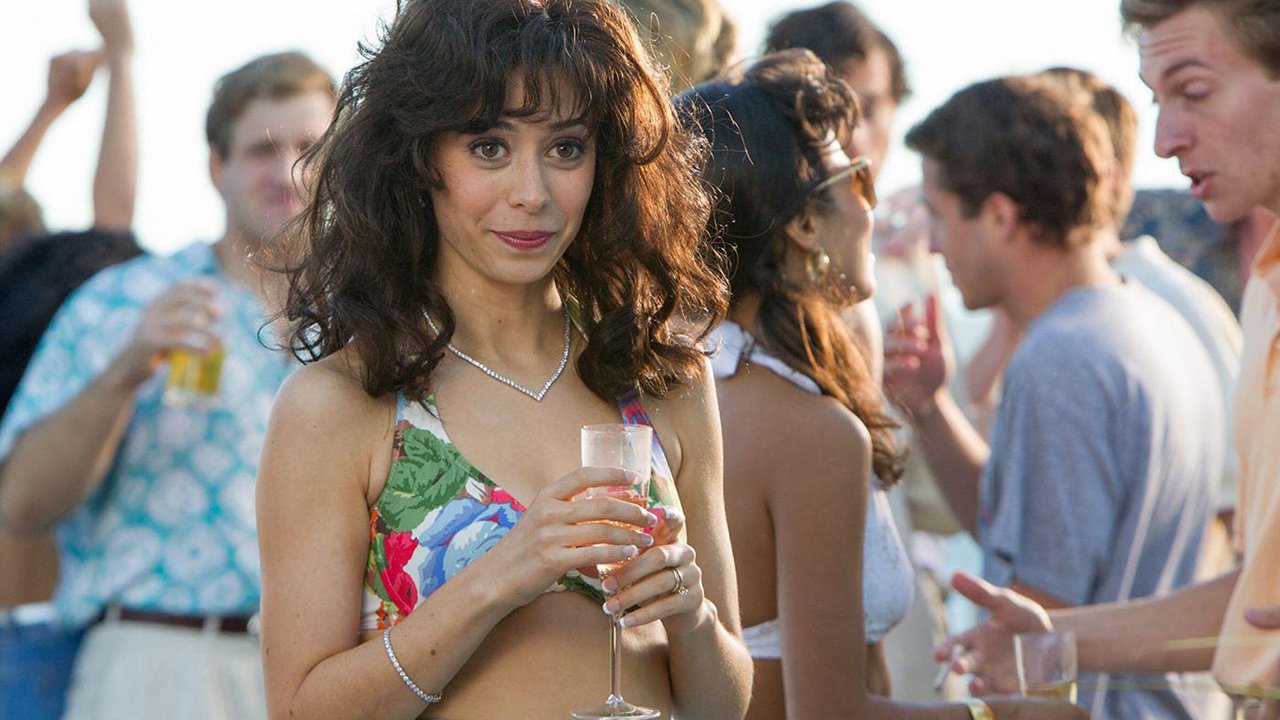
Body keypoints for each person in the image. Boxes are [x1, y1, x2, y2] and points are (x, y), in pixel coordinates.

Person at [254, 1, 752, 719]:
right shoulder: (341, 402)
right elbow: (299, 711)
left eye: (566, 148)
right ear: (419, 160)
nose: (532, 193)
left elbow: (726, 707)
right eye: (489, 147)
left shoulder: (661, 377)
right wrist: (498, 579)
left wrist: (690, 614)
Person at [675, 49, 1082, 720]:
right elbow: (830, 712)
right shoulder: (810, 433)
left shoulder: (681, 387)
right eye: (857, 178)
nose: (873, 205)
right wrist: (1000, 716)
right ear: (805, 222)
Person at [932, 1, 1280, 717]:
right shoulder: (1259, 296)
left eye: (1194, 91)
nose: (1165, 140)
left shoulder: (1066, 353)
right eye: (1158, 101)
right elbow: (1256, 597)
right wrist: (1054, 638)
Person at [0, 51, 336, 720]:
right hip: (163, 664)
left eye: (309, 148)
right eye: (261, 151)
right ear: (216, 167)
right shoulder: (124, 299)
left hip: (337, 672)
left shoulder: (377, 320)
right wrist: (127, 369)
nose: (287, 173)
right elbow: (22, 505)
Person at [885, 73, 1224, 719]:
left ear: (999, 216)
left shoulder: (1060, 361)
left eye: (939, 214)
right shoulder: (1147, 319)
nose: (930, 243)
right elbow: (1017, 531)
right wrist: (930, 407)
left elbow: (1035, 620)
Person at [0, 2, 141, 718]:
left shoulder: (40, 310)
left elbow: (109, 221)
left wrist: (55, 105)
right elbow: (112, 219)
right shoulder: (66, 315)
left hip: (35, 630)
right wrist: (120, 57)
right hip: (50, 627)